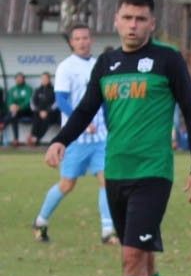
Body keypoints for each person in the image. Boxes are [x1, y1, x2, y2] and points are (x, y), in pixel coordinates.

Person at [45, 0, 191, 276]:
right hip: (114, 173)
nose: (133, 25)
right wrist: (60, 140)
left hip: (152, 174)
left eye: (141, 19)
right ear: (116, 20)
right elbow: (87, 108)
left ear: (152, 23)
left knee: (131, 258)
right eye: (127, 18)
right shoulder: (107, 62)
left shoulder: (167, 60)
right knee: (145, 262)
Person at [33, 24, 117, 244]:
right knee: (67, 184)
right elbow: (61, 100)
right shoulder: (66, 68)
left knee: (107, 180)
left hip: (100, 139)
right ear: (71, 42)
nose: (82, 42)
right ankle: (41, 221)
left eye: (85, 38)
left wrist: (110, 124)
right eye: (77, 38)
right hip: (76, 139)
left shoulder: (100, 64)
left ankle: (107, 231)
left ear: (91, 40)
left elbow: (105, 99)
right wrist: (82, 121)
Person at [29, 72, 59, 145]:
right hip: (39, 113)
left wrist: (47, 111)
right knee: (36, 118)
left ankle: (36, 139)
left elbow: (57, 103)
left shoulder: (54, 90)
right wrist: (39, 111)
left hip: (52, 113)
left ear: (49, 79)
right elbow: (32, 103)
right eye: (42, 78)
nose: (44, 80)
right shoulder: (37, 90)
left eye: (46, 78)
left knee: (46, 119)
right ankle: (33, 136)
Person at [6, 72, 34, 145]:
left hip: (27, 111)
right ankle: (16, 139)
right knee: (13, 115)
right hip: (16, 111)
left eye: (20, 78)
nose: (19, 80)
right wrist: (11, 106)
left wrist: (19, 107)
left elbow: (28, 101)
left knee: (13, 113)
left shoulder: (28, 88)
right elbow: (9, 101)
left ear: (24, 79)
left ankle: (3, 123)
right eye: (17, 78)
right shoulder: (12, 89)